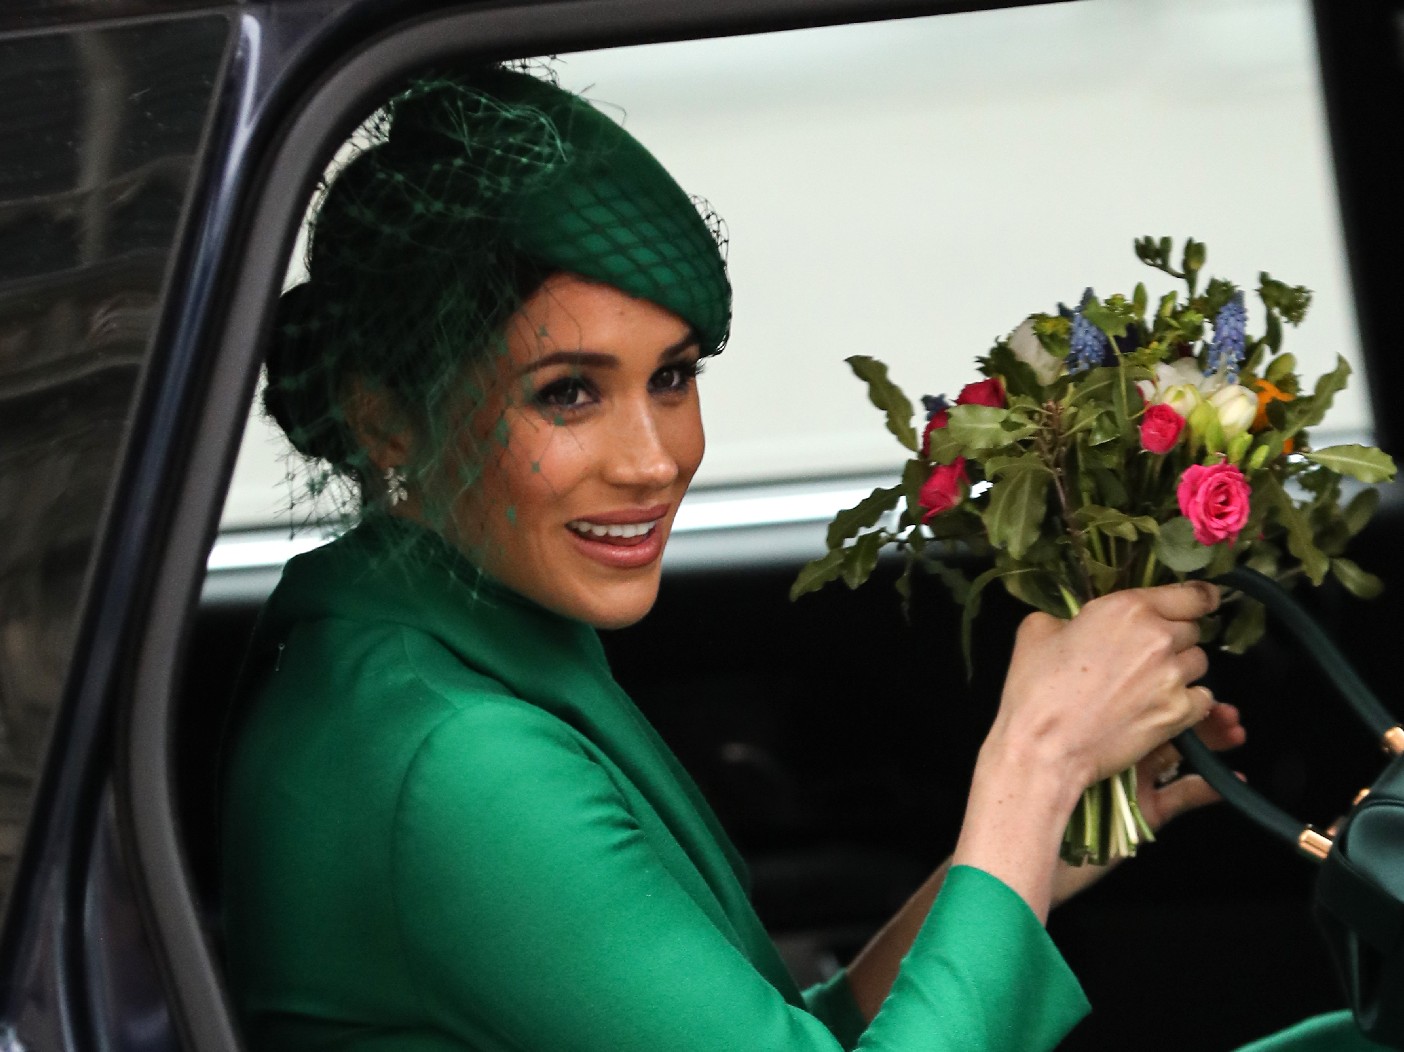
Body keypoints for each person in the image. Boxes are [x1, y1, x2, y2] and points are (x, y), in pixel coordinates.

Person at [219, 65, 1383, 1051]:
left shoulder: (433, 642)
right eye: (566, 392)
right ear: (387, 418)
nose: (655, 457)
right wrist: (1033, 758)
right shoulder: (453, 763)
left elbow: (784, 1028)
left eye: (672, 377)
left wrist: (1041, 836)